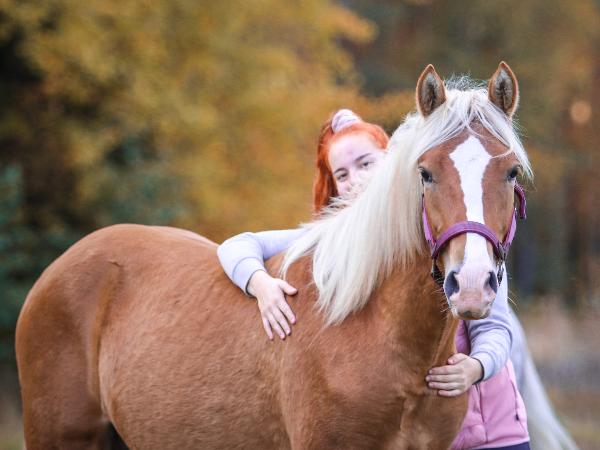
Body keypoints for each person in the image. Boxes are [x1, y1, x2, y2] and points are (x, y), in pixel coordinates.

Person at [217, 109, 530, 449]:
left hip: (488, 425)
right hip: (435, 429)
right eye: (342, 174)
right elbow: (237, 245)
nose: (356, 179)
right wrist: (260, 284)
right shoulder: (338, 242)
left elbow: (496, 328)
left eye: (366, 163)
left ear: (391, 160)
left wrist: (477, 367)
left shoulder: (458, 240)